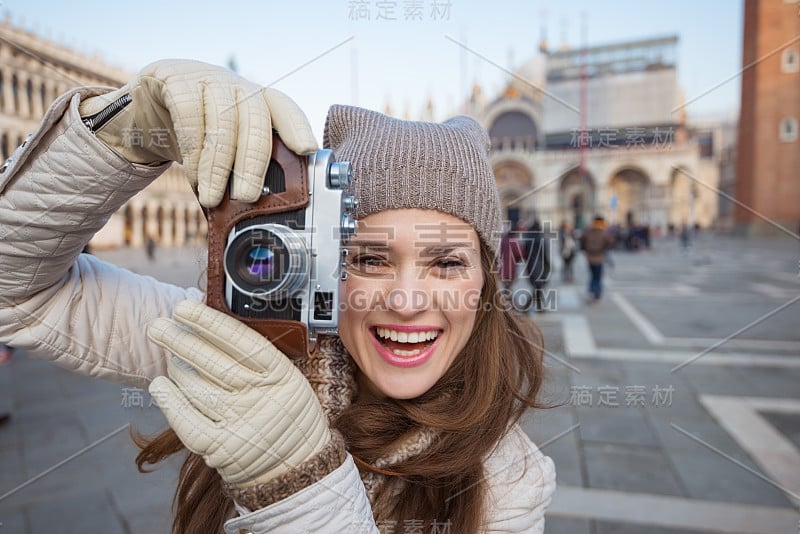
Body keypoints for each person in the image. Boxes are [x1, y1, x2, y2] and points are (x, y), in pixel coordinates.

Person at [0, 60, 555, 533]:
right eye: (368, 259)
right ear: (322, 264)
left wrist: (297, 480)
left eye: (447, 263)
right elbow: (19, 296)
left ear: (486, 280)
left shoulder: (508, 484)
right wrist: (120, 134)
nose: (408, 300)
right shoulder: (246, 353)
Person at [580, 215, 614, 302]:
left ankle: (591, 291)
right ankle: (597, 294)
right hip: (599, 257)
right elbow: (610, 242)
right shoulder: (603, 232)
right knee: (598, 276)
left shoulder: (588, 231)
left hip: (590, 257)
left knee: (593, 275)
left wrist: (585, 250)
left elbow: (582, 241)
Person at [522, 220, 551, 312]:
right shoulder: (541, 238)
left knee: (537, 287)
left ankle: (537, 307)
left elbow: (525, 253)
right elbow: (545, 254)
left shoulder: (527, 238)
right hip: (540, 266)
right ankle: (527, 306)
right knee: (538, 287)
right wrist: (548, 265)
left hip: (530, 265)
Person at [498, 221, 524, 290]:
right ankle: (508, 298)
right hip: (511, 268)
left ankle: (507, 298)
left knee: (506, 286)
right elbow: (519, 254)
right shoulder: (514, 241)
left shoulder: (502, 240)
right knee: (508, 286)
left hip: (502, 268)